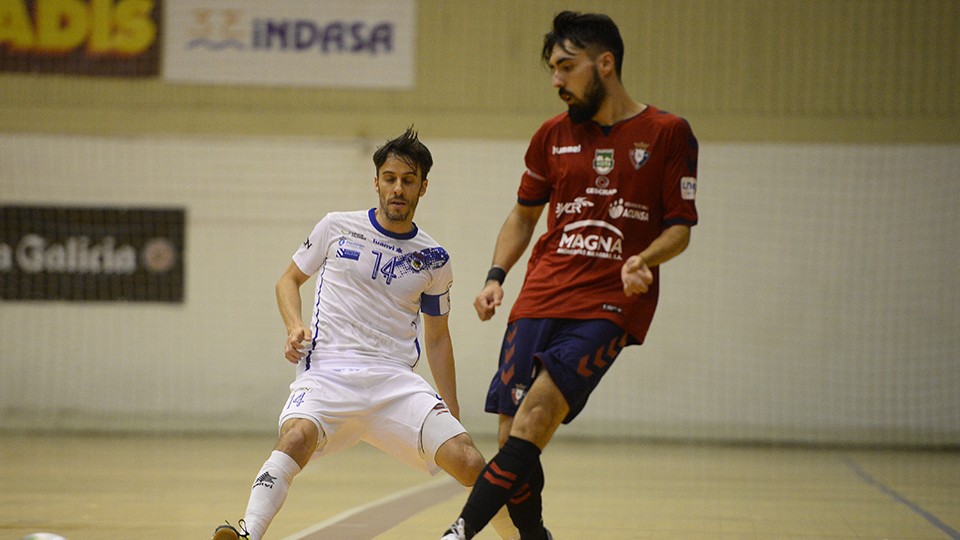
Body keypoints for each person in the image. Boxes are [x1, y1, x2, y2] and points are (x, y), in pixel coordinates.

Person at [440, 11, 699, 540]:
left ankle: (456, 534)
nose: (555, 80)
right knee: (517, 438)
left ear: (605, 63)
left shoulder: (669, 133)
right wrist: (496, 276)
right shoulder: (550, 137)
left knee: (535, 421)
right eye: (551, 69)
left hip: (609, 302)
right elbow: (523, 215)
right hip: (540, 295)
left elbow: (680, 228)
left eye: (565, 66)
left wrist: (644, 260)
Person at [213, 128, 518, 540]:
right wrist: (293, 326)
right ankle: (248, 533)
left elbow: (438, 338)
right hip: (326, 374)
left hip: (394, 382)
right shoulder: (335, 227)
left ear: (423, 187)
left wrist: (452, 410)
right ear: (376, 182)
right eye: (390, 178)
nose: (397, 188)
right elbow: (287, 281)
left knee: (468, 461)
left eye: (408, 181)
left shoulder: (435, 258)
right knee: (295, 436)